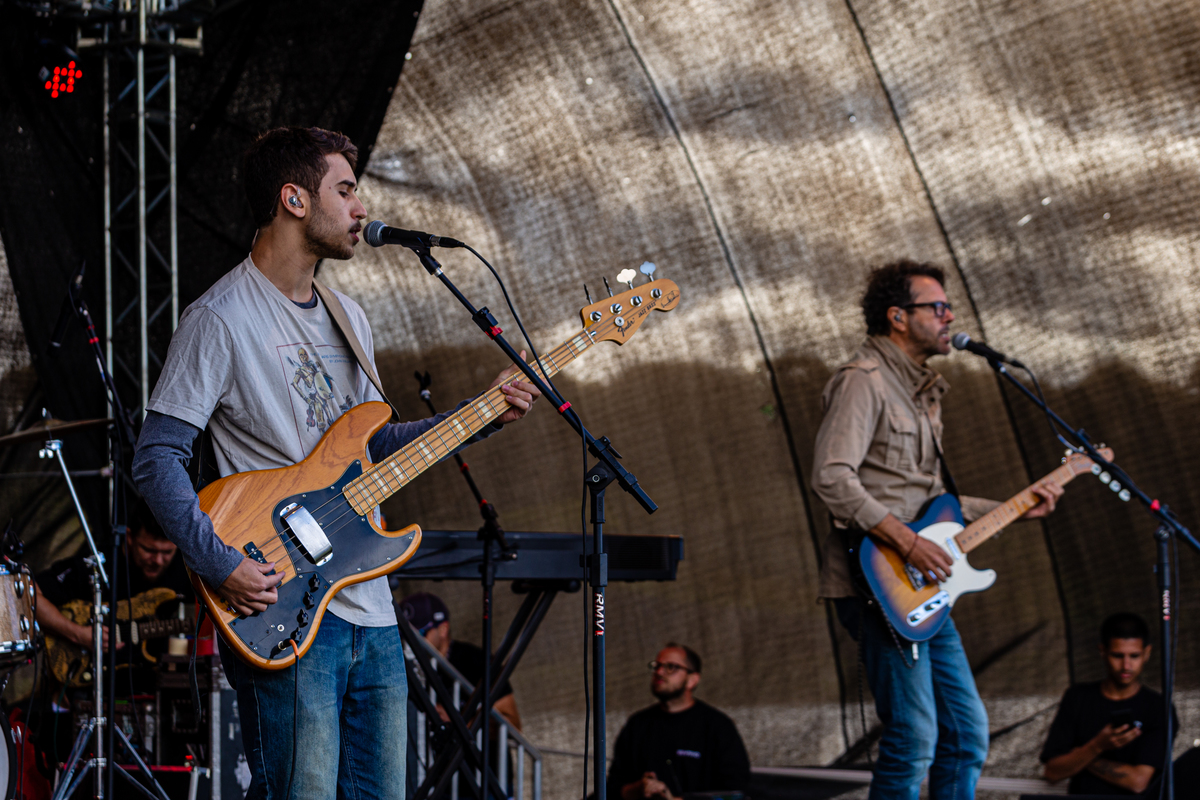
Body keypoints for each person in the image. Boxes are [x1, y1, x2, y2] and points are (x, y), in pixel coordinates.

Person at [131, 126, 540, 800]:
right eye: (345, 190)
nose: (360, 210)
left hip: (371, 609)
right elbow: (156, 459)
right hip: (280, 601)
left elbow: (371, 448)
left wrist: (480, 415)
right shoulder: (221, 318)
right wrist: (218, 561)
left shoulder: (349, 315)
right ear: (294, 199)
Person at [810, 260, 1063, 800]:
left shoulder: (923, 391)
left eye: (949, 308)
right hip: (876, 583)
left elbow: (930, 502)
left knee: (967, 735)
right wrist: (908, 542)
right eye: (938, 307)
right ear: (898, 317)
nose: (950, 317)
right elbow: (831, 477)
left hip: (919, 587)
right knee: (914, 737)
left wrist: (1016, 506)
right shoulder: (864, 382)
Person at [36, 496, 194, 663]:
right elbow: (31, 595)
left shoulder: (183, 566)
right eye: (149, 550)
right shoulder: (97, 564)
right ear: (129, 537)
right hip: (92, 675)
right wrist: (77, 634)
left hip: (153, 679)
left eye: (167, 552)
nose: (158, 560)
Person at [1041, 613, 1176, 795]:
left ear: (1147, 653)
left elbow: (1138, 781)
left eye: (1134, 656)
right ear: (1102, 651)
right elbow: (1053, 771)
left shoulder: (1158, 707)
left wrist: (1082, 754)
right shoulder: (1078, 698)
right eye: (1118, 656)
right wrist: (1097, 745)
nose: (1126, 665)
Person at [606, 644, 750, 800]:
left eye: (671, 667)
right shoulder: (638, 724)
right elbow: (612, 788)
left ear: (692, 680)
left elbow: (735, 792)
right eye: (657, 666)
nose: (659, 672)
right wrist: (639, 789)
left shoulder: (718, 726)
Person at [399, 591, 522, 731]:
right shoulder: (405, 668)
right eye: (404, 637)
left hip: (480, 752)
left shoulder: (475, 661)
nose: (409, 643)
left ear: (443, 629)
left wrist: (460, 723)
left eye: (420, 634)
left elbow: (512, 724)